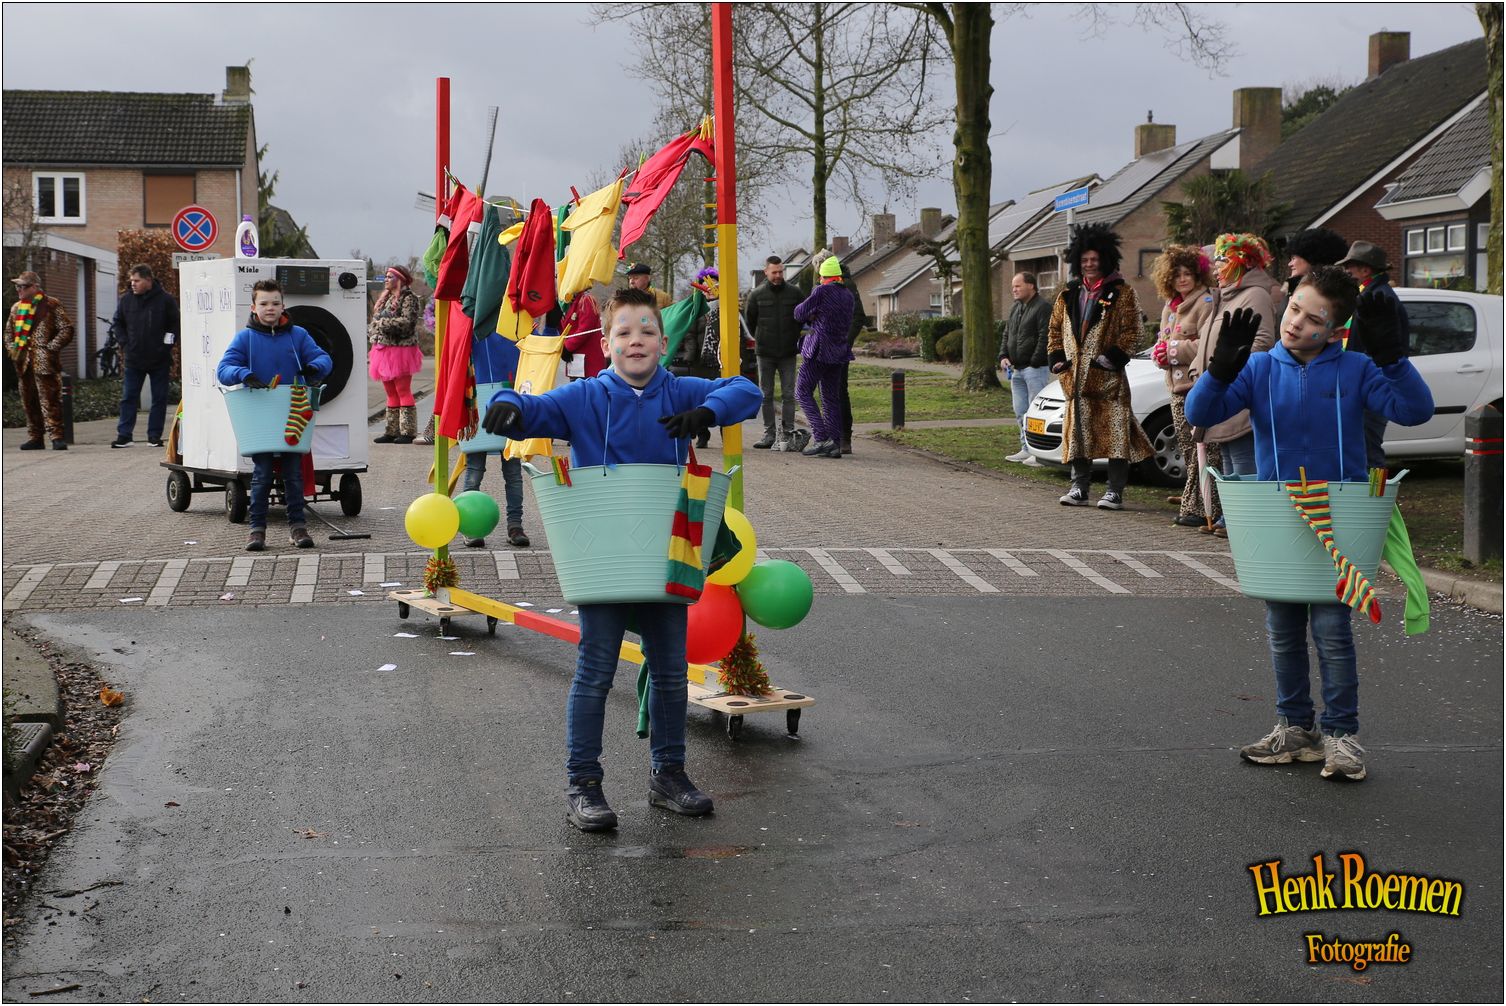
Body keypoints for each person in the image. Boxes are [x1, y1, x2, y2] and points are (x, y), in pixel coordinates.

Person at [479, 285, 761, 832]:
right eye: (624, 332)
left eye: (647, 331)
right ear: (606, 344)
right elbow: (532, 408)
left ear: (663, 342)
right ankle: (583, 784)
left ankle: (668, 775)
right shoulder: (585, 397)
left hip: (668, 551)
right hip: (604, 553)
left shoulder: (681, 391)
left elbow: (746, 390)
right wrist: (506, 405)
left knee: (671, 670)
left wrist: (707, 410)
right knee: (595, 671)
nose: (636, 340)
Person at [1185, 266, 1433, 782]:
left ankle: (1341, 735)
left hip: (1338, 518)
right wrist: (1221, 369)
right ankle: (1296, 729)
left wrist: (1394, 359)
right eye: (1294, 308)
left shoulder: (1357, 369)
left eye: (1312, 318)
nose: (1295, 322)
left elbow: (1415, 410)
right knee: (1282, 630)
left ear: (1335, 330)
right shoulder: (1259, 369)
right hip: (1280, 516)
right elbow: (1200, 413)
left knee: (1331, 630)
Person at [216, 280, 333, 552]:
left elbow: (324, 359)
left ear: (283, 306)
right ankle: (256, 531)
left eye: (275, 303)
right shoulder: (245, 338)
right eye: (264, 303)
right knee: (262, 474)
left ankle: (298, 527)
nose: (270, 308)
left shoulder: (298, 335)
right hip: (260, 415)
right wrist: (243, 374)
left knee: (293, 473)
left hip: (292, 410)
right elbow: (223, 369)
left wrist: (314, 367)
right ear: (253, 307)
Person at [1046, 224, 1152, 509]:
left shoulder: (1122, 293)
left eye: (1094, 259)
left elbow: (1134, 332)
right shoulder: (1067, 295)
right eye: (1085, 260)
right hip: (1076, 382)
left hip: (1108, 382)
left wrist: (1110, 360)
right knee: (1078, 435)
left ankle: (1114, 491)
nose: (1090, 264)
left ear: (1105, 259)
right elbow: (1054, 330)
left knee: (1116, 435)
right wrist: (1057, 359)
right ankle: (1079, 487)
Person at [1186, 234, 1279, 535]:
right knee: (1227, 459)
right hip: (1218, 388)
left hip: (1237, 389)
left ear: (1244, 262)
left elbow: (1262, 342)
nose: (1216, 267)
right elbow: (1208, 342)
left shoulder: (1255, 296)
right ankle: (1231, 516)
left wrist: (1232, 371)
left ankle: (1245, 518)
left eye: (1223, 260)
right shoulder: (1226, 296)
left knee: (1242, 457)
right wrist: (1196, 369)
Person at [1148, 246, 1218, 527]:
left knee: (1202, 449)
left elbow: (1207, 344)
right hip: (1175, 388)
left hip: (1195, 385)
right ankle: (1195, 502)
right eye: (1177, 275)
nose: (1182, 279)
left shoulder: (1206, 302)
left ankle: (1201, 507)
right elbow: (1163, 341)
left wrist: (1173, 351)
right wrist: (1159, 354)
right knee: (1189, 450)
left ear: (1198, 274)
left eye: (1188, 273)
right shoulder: (1170, 306)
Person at [1339, 240, 1409, 470]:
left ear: (1365, 270)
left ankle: (1376, 492)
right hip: (1365, 381)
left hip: (1373, 383)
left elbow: (1385, 347)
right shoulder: (1368, 293)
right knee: (1362, 445)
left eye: (1350, 266)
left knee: (1368, 448)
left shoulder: (1379, 298)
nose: (1346, 271)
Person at [461, 328, 529, 549]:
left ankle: (515, 525)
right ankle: (470, 526)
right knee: (474, 470)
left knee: (512, 471)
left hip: (508, 393)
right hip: (476, 396)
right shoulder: (471, 322)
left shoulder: (513, 322)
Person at [793, 256, 856, 459]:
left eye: (821, 277)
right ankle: (835, 444)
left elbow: (799, 313)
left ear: (824, 277)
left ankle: (821, 438)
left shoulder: (821, 291)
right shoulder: (848, 295)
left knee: (802, 391)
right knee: (830, 397)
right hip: (838, 352)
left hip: (818, 351)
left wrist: (812, 313)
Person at [110, 264, 179, 449]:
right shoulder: (126, 300)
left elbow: (174, 325)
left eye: (137, 280)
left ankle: (154, 436)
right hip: (134, 358)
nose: (133, 284)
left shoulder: (165, 300)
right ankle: (124, 435)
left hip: (159, 359)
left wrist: (166, 346)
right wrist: (125, 344)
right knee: (128, 397)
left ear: (149, 280)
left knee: (159, 398)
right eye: (131, 281)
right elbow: (118, 323)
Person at [5, 270, 74, 451]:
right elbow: (8, 333)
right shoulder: (16, 308)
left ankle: (57, 436)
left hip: (45, 361)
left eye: (23, 286)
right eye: (17, 287)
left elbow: (66, 328)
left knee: (50, 399)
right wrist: (13, 349)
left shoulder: (51, 304)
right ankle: (35, 437)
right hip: (23, 362)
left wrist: (51, 347)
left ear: (35, 287)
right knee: (29, 401)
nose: (19, 290)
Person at [743, 255, 805, 450]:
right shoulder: (756, 295)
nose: (778, 275)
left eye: (780, 271)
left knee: (789, 394)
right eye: (774, 272)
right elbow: (750, 322)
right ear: (766, 272)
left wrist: (793, 337)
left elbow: (802, 318)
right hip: (765, 353)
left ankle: (788, 433)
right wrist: (762, 338)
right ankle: (768, 434)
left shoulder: (795, 293)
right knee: (766, 394)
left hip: (788, 352)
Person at [998, 271, 1052, 465]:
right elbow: (1007, 334)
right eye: (1013, 286)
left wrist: (1035, 360)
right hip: (1017, 369)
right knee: (1020, 410)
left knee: (1035, 412)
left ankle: (1039, 453)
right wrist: (1003, 356)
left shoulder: (1043, 307)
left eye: (1018, 286)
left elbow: (1045, 336)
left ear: (1031, 285)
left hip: (1034, 369)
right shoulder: (1015, 308)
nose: (1014, 289)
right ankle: (1026, 448)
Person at [368, 265, 424, 444]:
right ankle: (392, 431)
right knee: (390, 391)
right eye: (385, 276)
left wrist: (382, 323)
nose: (386, 279)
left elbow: (408, 322)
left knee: (402, 389)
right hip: (384, 349)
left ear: (400, 279)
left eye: (390, 276)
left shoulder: (409, 298)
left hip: (401, 350)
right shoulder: (386, 299)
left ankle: (408, 431)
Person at [836, 262, 866, 455]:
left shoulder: (846, 285)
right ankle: (834, 436)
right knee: (830, 392)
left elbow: (858, 316)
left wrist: (845, 342)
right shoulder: (822, 285)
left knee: (839, 391)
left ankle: (844, 436)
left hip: (839, 348)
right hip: (826, 347)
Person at [1282, 227, 1349, 301]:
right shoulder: (1294, 285)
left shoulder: (1326, 291)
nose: (1289, 264)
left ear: (1310, 258)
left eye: (1293, 258)